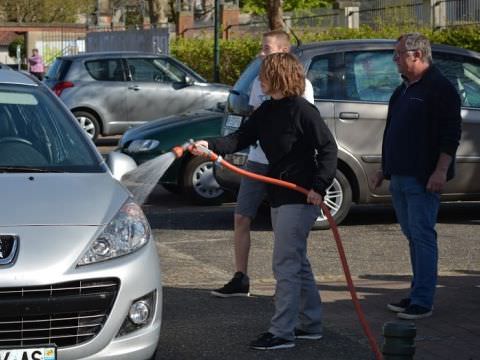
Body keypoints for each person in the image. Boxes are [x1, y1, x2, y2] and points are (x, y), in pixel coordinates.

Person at [192, 52, 337, 350]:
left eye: (263, 74)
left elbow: (328, 150)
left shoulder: (303, 111)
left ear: (279, 77)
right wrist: (209, 146)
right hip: (279, 196)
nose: (259, 80)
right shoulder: (267, 110)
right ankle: (310, 324)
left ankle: (282, 332)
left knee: (285, 263)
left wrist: (318, 187)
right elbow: (240, 138)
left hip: (300, 195)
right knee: (297, 262)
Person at [211, 29, 314, 298]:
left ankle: (294, 306)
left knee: (287, 243)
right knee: (241, 215)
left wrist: (319, 184)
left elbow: (311, 136)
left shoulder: (303, 90)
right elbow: (253, 127)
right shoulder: (260, 82)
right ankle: (240, 276)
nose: (261, 53)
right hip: (258, 160)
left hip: (286, 168)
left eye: (266, 49)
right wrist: (211, 146)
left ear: (284, 52)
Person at [371, 33, 462, 320]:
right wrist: (384, 169)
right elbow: (393, 132)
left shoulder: (439, 88)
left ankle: (423, 299)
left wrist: (440, 170)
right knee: (413, 236)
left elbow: (451, 135)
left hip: (423, 178)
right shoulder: (403, 89)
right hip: (399, 176)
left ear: (417, 55)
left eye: (399, 54)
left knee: (422, 236)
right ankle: (416, 291)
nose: (395, 58)